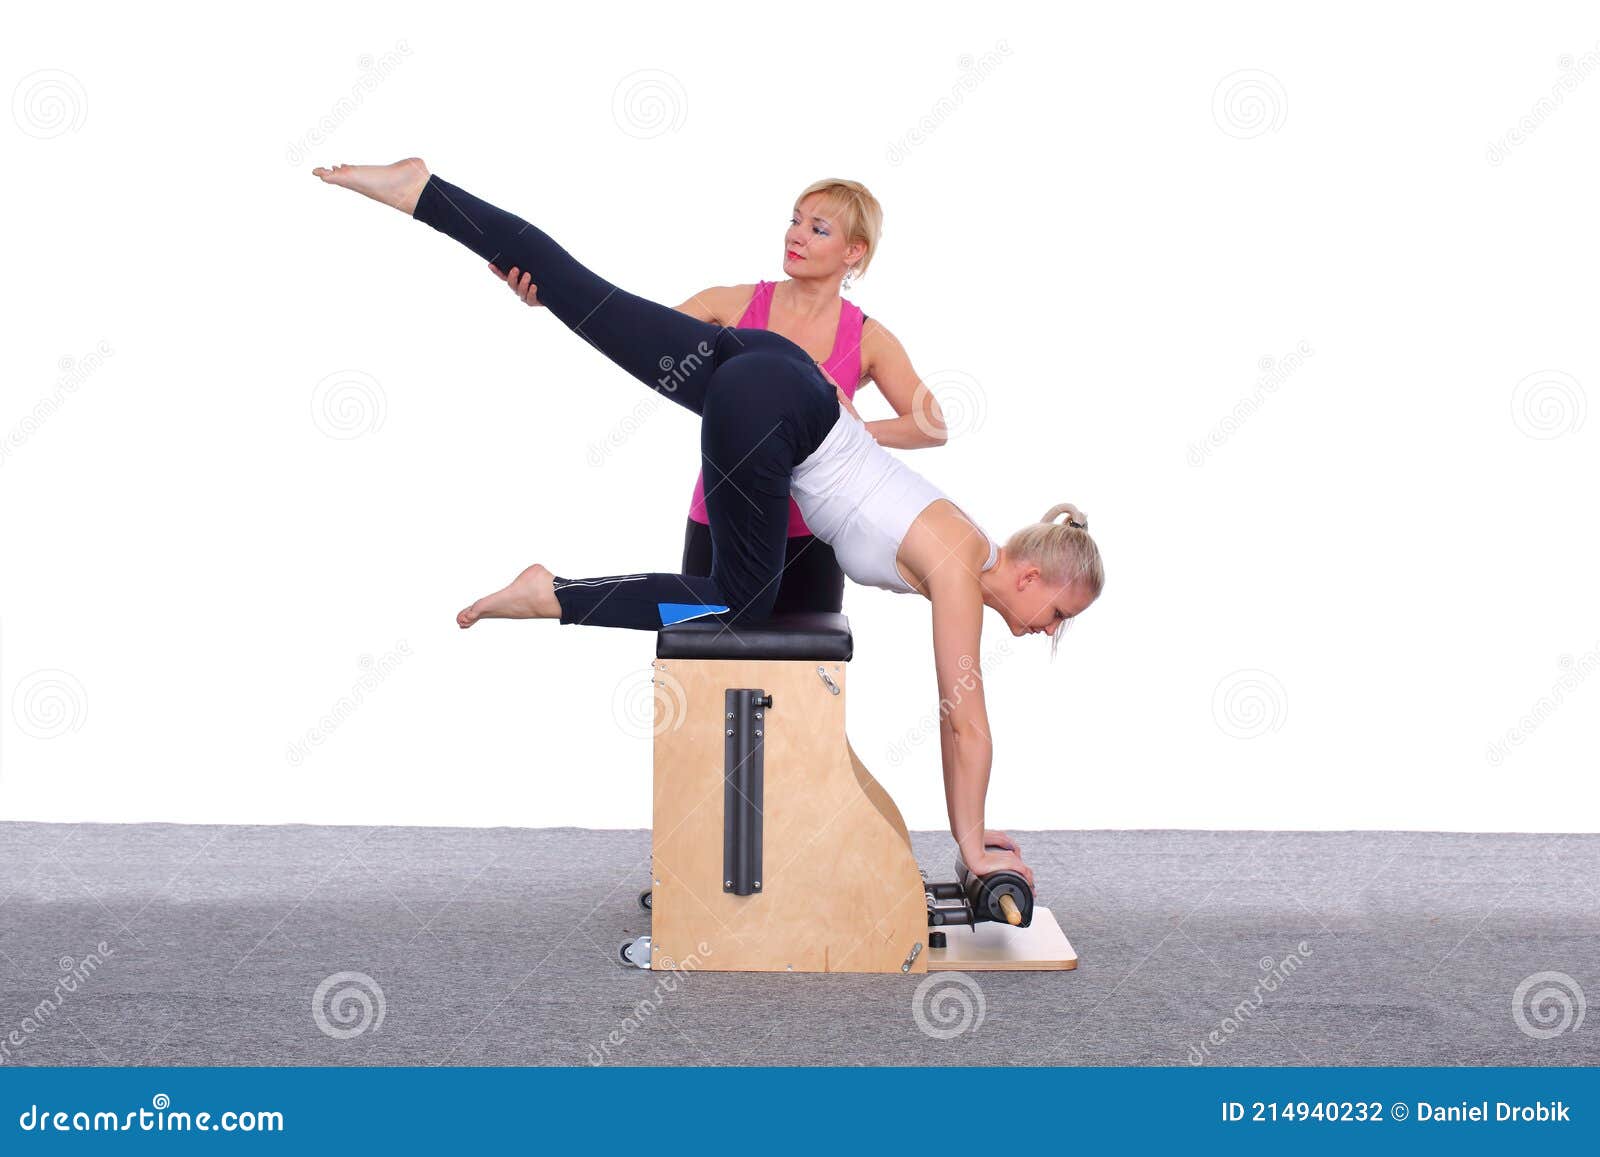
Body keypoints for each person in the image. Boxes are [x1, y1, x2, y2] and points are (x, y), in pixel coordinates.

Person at [312, 158, 1106, 885]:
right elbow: (965, 721)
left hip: (774, 377)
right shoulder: (961, 569)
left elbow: (924, 425)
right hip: (773, 406)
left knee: (588, 298)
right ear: (1033, 575)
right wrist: (972, 843)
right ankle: (551, 594)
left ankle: (424, 192)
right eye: (1060, 613)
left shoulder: (957, 532)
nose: (1049, 629)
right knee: (736, 602)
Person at [489, 177, 946, 616]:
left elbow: (930, 423)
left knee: (802, 681)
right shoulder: (732, 304)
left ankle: (555, 599)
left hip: (812, 537)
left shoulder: (868, 337)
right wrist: (551, 298)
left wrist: (847, 431)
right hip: (718, 524)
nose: (796, 236)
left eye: (817, 229)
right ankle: (559, 599)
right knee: (697, 653)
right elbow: (632, 335)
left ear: (853, 251)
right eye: (795, 220)